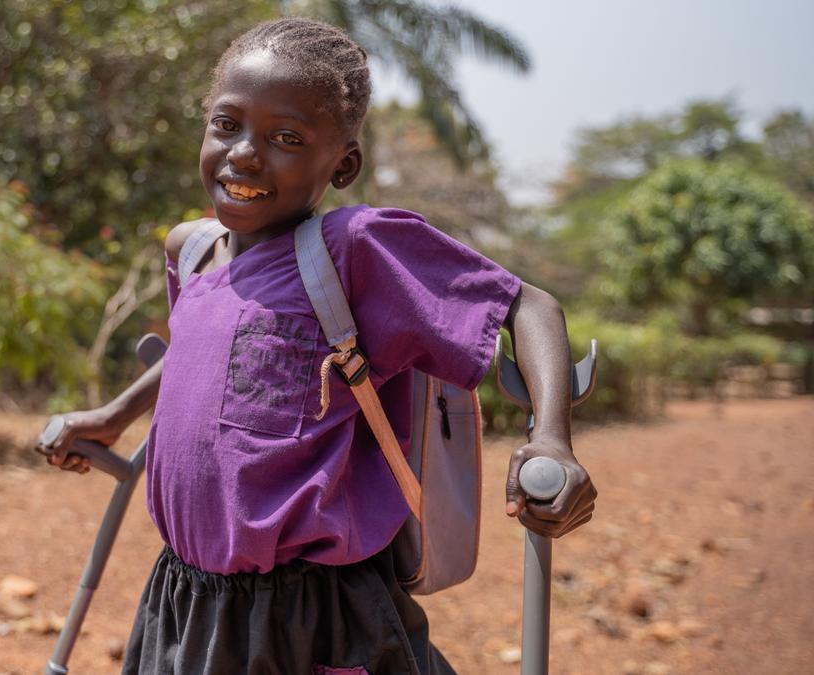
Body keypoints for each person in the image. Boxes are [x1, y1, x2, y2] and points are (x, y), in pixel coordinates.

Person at [37, 17, 597, 675]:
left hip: (315, 611)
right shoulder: (192, 253)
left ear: (343, 163)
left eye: (286, 138)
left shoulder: (356, 250)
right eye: (227, 125)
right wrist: (113, 416)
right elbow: (207, 358)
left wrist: (552, 438)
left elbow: (528, 305)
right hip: (184, 598)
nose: (245, 152)